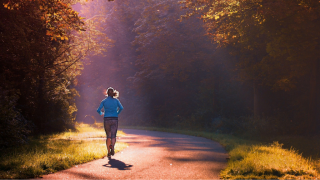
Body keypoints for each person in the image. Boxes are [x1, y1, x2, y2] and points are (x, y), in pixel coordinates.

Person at [97, 87, 123, 158]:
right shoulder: (116, 100)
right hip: (115, 118)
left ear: (107, 93)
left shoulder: (104, 101)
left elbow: (98, 110)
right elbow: (121, 108)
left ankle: (108, 152)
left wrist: (101, 113)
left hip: (106, 119)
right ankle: (113, 147)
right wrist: (117, 113)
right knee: (113, 135)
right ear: (113, 93)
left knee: (108, 136)